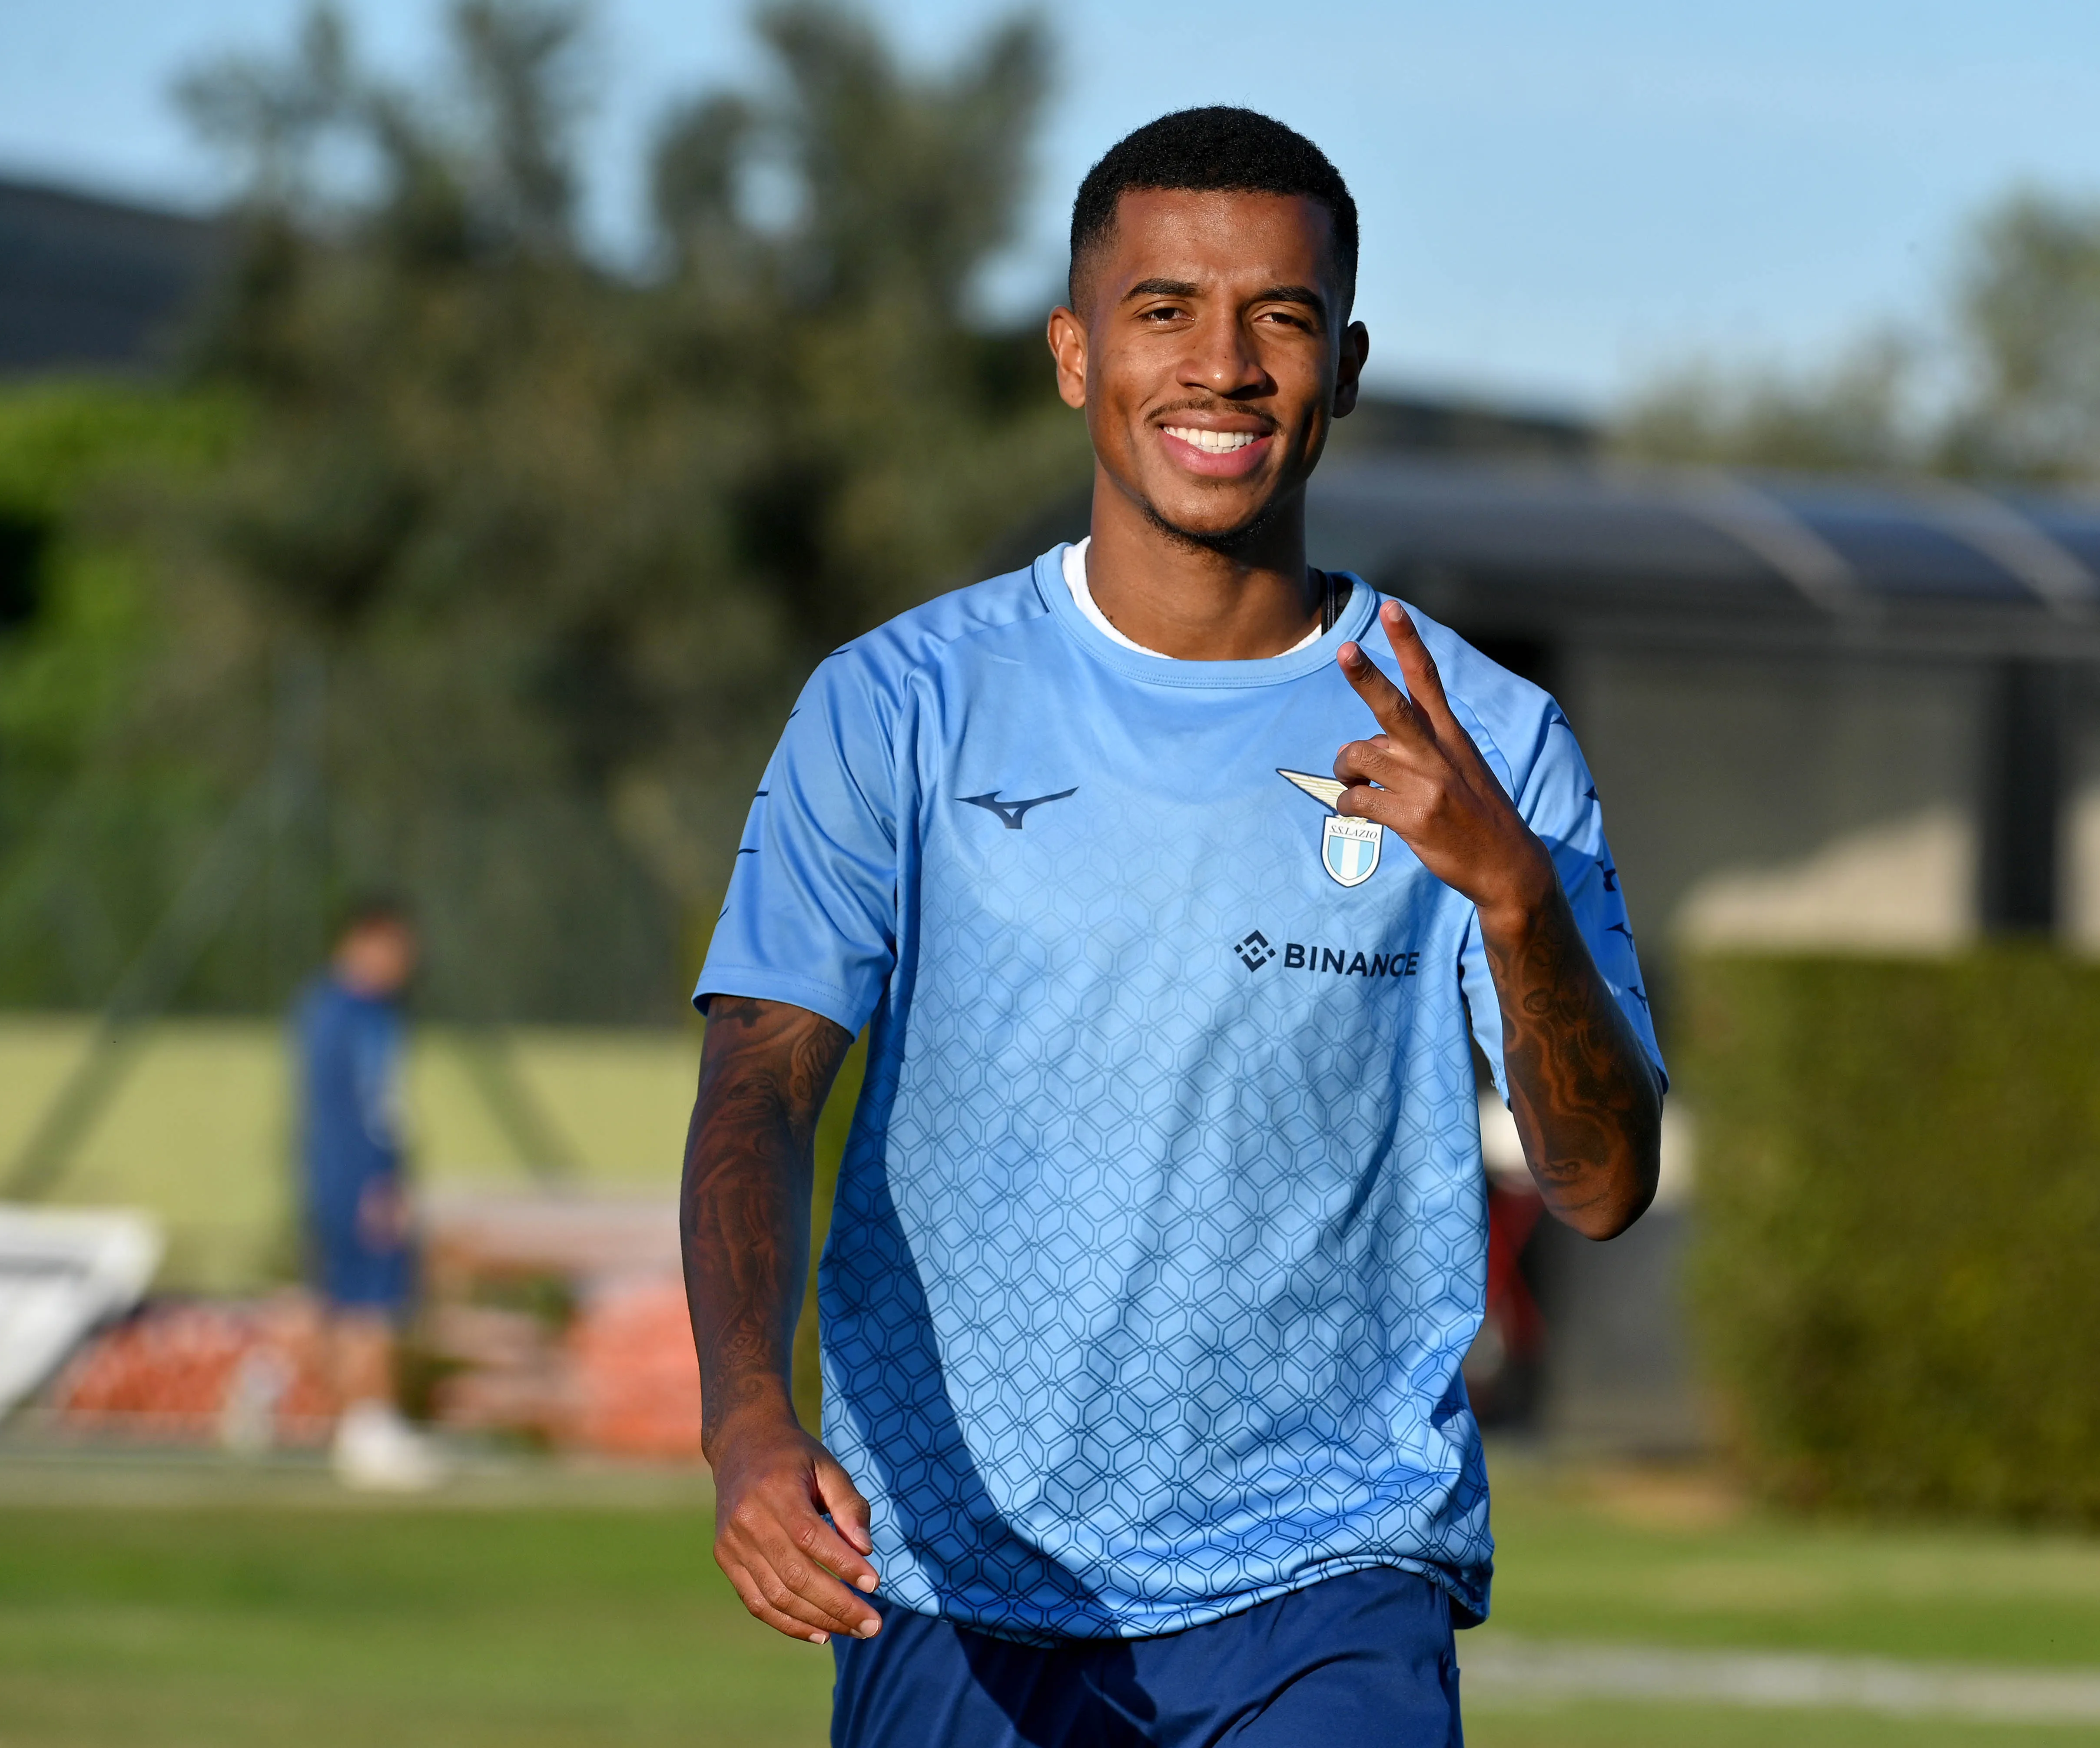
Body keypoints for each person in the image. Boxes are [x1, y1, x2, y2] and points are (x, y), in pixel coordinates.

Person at [681, 106, 1663, 1746]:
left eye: (1280, 316)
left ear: (1345, 367)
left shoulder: (1486, 738)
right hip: (951, 1568)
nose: (1223, 365)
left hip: (1328, 1575)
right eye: (1163, 310)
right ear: (1075, 353)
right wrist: (744, 1423)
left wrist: (1516, 897)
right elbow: (757, 1087)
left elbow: (1604, 1187)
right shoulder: (897, 704)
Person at [295, 896, 444, 1492]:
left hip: (349, 1176)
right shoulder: (348, 1017)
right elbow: (361, 1112)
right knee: (369, 1306)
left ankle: (363, 1428)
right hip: (354, 1179)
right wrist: (377, 1182)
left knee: (357, 1301)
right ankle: (370, 1428)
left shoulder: (361, 1014)